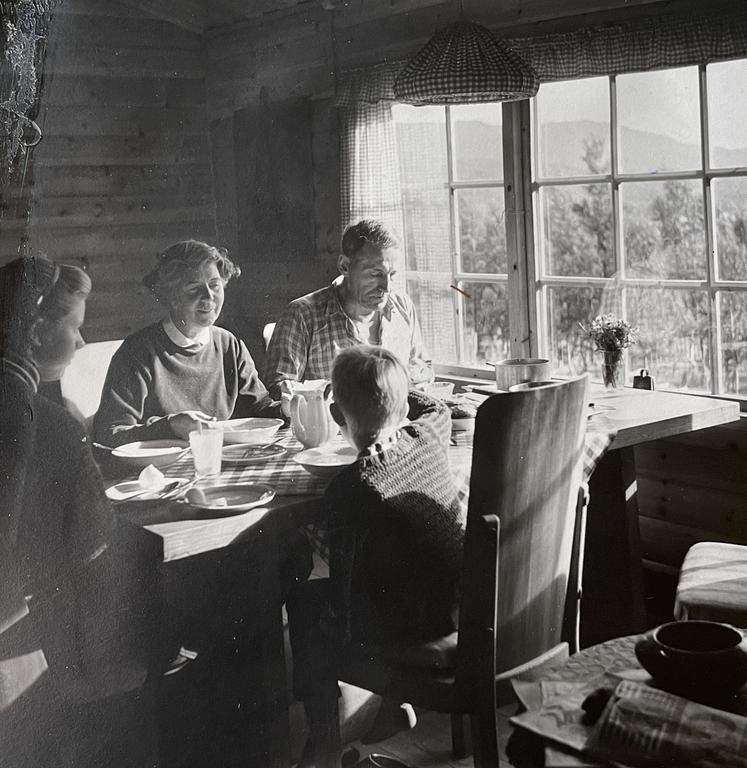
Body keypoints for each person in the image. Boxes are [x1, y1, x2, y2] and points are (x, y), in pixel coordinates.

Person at [0, 255, 166, 766]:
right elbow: (96, 552)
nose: (81, 341)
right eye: (74, 326)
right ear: (33, 332)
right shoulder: (47, 424)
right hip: (32, 641)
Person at [287, 346, 464, 767]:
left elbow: (346, 584)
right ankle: (386, 708)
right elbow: (436, 406)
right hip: (454, 609)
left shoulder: (351, 485)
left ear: (335, 417)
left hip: (405, 635)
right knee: (387, 580)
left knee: (304, 598)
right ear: (403, 408)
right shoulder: (427, 435)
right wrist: (404, 394)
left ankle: (327, 741)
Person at [94, 240, 282, 447]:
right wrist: (170, 426)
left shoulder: (229, 344)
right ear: (172, 296)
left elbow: (260, 410)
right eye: (194, 288)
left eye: (215, 285)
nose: (209, 297)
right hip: (161, 473)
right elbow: (109, 434)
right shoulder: (137, 352)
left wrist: (288, 408)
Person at [263, 219, 433, 400]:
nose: (387, 287)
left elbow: (423, 367)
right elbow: (276, 392)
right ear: (344, 266)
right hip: (331, 426)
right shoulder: (302, 315)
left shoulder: (402, 306)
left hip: (395, 424)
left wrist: (416, 378)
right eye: (375, 274)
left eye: (392, 275)